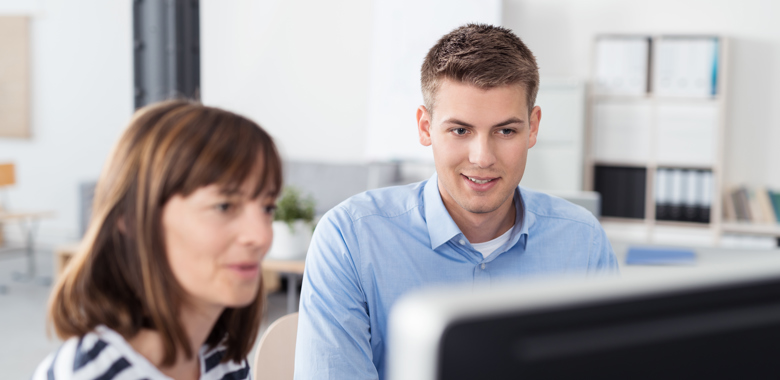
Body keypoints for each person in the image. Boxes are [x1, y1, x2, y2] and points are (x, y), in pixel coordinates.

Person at [294, 24, 619, 379]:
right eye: (460, 130)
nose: (482, 157)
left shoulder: (582, 243)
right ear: (425, 127)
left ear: (534, 127)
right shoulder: (350, 240)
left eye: (505, 131)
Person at [32, 100, 282, 380]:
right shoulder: (85, 374)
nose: (261, 236)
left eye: (267, 208)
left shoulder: (221, 359)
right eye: (224, 206)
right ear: (133, 217)